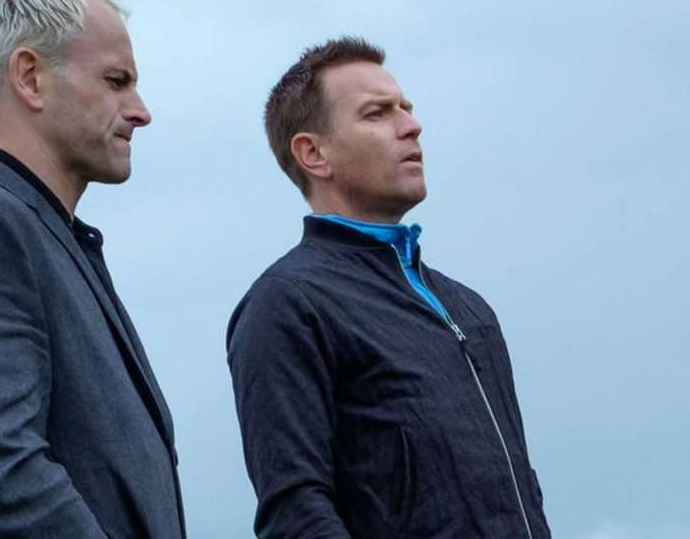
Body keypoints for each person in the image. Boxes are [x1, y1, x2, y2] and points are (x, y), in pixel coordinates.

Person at [227, 36, 550, 538]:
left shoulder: (469, 307)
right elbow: (296, 512)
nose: (412, 126)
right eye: (377, 114)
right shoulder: (288, 304)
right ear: (313, 153)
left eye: (406, 109)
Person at [0, 0, 184, 537]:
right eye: (116, 80)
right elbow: (1, 471)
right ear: (30, 77)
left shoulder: (47, 233)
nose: (141, 110)